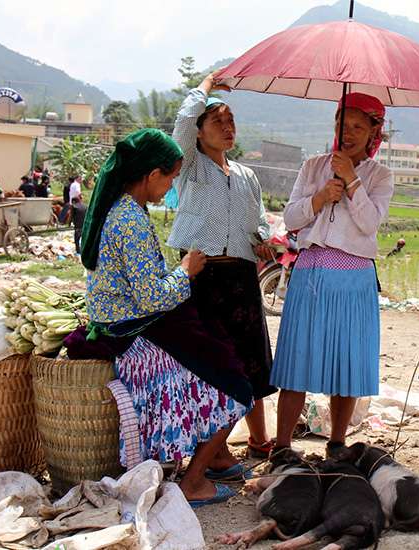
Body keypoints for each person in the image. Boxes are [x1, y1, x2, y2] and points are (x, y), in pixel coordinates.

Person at [81, 128, 253, 507]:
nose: (171, 185)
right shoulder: (130, 220)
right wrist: (186, 270)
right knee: (235, 384)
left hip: (125, 324)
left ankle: (218, 458)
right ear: (150, 174)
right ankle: (194, 481)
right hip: (136, 331)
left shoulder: (121, 208)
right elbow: (150, 296)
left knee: (216, 348)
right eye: (170, 177)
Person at [269, 92, 394, 458]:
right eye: (343, 124)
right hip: (310, 273)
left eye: (358, 126)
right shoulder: (312, 167)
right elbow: (291, 219)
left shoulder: (379, 176)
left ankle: (337, 443)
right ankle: (282, 446)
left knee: (347, 363)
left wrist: (352, 181)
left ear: (375, 132)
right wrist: (322, 196)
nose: (349, 132)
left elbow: (370, 223)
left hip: (354, 279)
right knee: (297, 360)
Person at [168, 72, 276, 461]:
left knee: (251, 358)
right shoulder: (191, 166)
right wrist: (207, 85)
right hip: (202, 276)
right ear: (199, 133)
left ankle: (260, 439)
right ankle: (208, 449)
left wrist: (262, 239)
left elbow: (258, 220)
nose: (228, 128)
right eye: (218, 121)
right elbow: (181, 121)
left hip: (242, 277)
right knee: (210, 362)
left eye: (231, 121)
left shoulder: (246, 175)